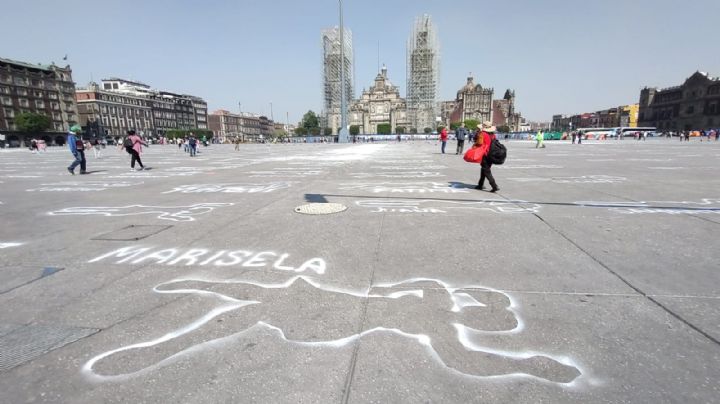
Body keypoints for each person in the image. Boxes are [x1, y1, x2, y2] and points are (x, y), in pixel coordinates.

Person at [473, 122, 499, 192]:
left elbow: (479, 143)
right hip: (492, 153)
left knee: (486, 170)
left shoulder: (483, 134)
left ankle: (494, 185)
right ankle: (480, 184)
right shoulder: (493, 135)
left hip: (485, 153)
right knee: (484, 169)